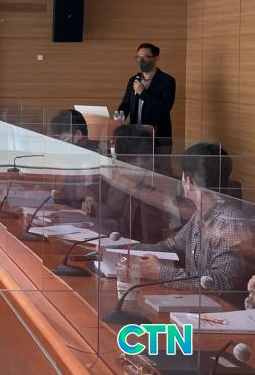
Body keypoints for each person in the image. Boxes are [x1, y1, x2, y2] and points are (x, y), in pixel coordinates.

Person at [134, 143, 249, 293]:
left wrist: (161, 273)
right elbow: (171, 246)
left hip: (216, 306)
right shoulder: (202, 213)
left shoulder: (230, 222)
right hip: (193, 300)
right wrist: (125, 249)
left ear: (187, 182)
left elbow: (223, 281)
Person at [81, 125, 175, 243]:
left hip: (130, 240)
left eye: (113, 143)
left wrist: (93, 209)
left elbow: (113, 212)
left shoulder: (141, 176)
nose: (111, 147)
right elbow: (97, 188)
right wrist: (90, 198)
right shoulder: (121, 171)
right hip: (119, 235)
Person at [117, 43, 175, 175]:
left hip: (158, 137)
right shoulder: (133, 80)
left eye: (146, 57)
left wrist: (143, 93)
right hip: (136, 136)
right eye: (138, 57)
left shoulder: (167, 81)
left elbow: (164, 108)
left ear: (156, 58)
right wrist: (119, 116)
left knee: (161, 173)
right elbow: (126, 103)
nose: (141, 60)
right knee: (137, 172)